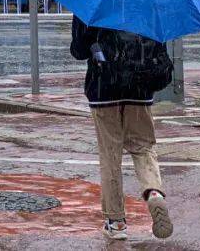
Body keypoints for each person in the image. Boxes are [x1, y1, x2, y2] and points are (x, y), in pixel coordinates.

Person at [70, 16, 174, 241]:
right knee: (143, 148)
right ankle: (153, 191)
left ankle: (116, 223)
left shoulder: (92, 3)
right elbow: (159, 48)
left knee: (110, 156)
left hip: (103, 88)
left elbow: (78, 50)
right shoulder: (146, 1)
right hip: (140, 89)